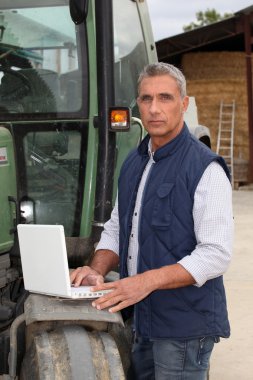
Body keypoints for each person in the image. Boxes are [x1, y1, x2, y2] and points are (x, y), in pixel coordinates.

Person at [71, 62, 233, 379]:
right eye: (146, 99)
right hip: (141, 320)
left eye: (165, 98)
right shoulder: (135, 161)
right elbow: (118, 227)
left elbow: (215, 254)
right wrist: (96, 269)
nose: (154, 109)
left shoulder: (205, 168)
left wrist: (143, 282)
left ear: (184, 104)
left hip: (183, 328)